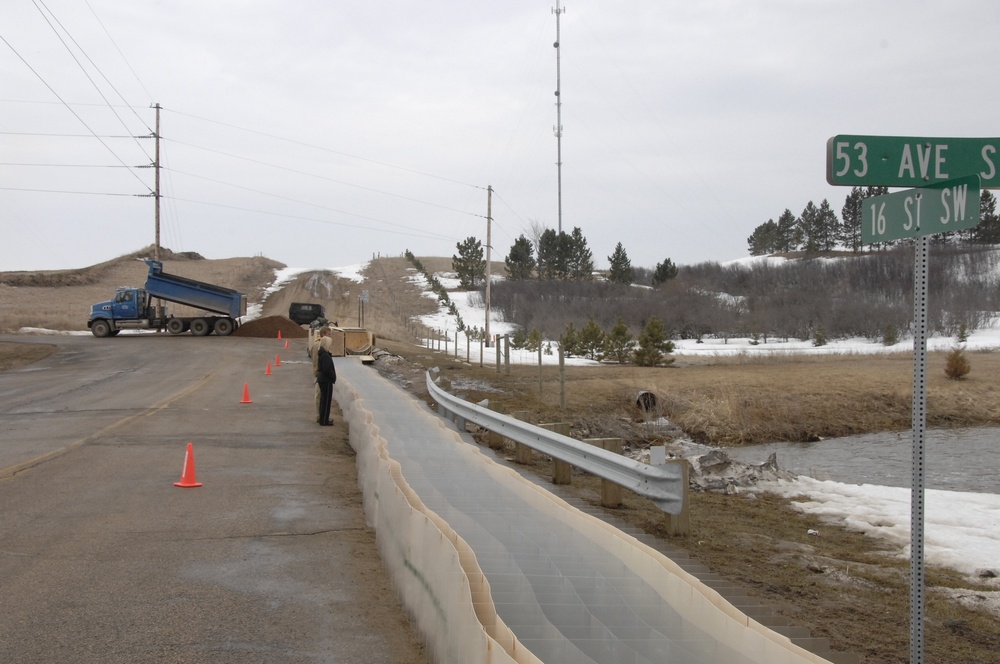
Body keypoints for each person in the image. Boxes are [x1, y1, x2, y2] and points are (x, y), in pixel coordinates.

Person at [316, 335, 337, 426]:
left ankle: (323, 418)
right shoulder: (325, 356)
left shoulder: (322, 354)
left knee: (323, 400)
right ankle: (324, 420)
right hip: (326, 380)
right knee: (326, 401)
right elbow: (326, 369)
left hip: (322, 379)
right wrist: (332, 377)